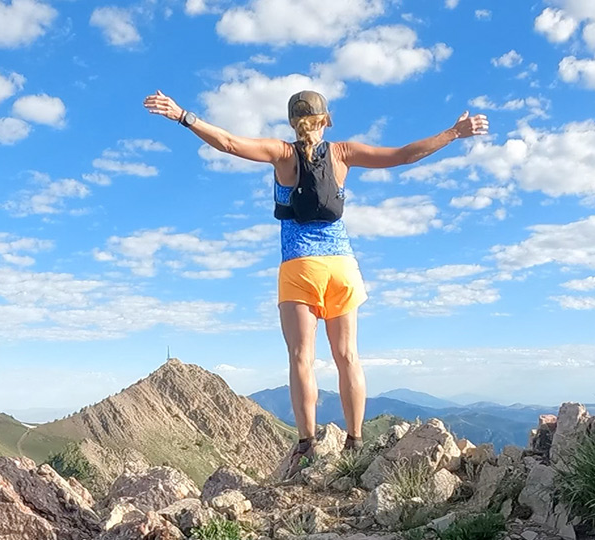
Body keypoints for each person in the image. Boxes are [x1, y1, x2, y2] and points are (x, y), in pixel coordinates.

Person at [143, 89, 488, 478]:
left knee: (302, 359)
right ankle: (355, 444)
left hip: (300, 267)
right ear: (327, 119)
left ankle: (306, 445)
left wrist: (182, 115)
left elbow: (228, 143)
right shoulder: (342, 154)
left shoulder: (282, 154)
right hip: (342, 267)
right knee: (348, 357)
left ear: (293, 122)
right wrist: (454, 132)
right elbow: (403, 154)